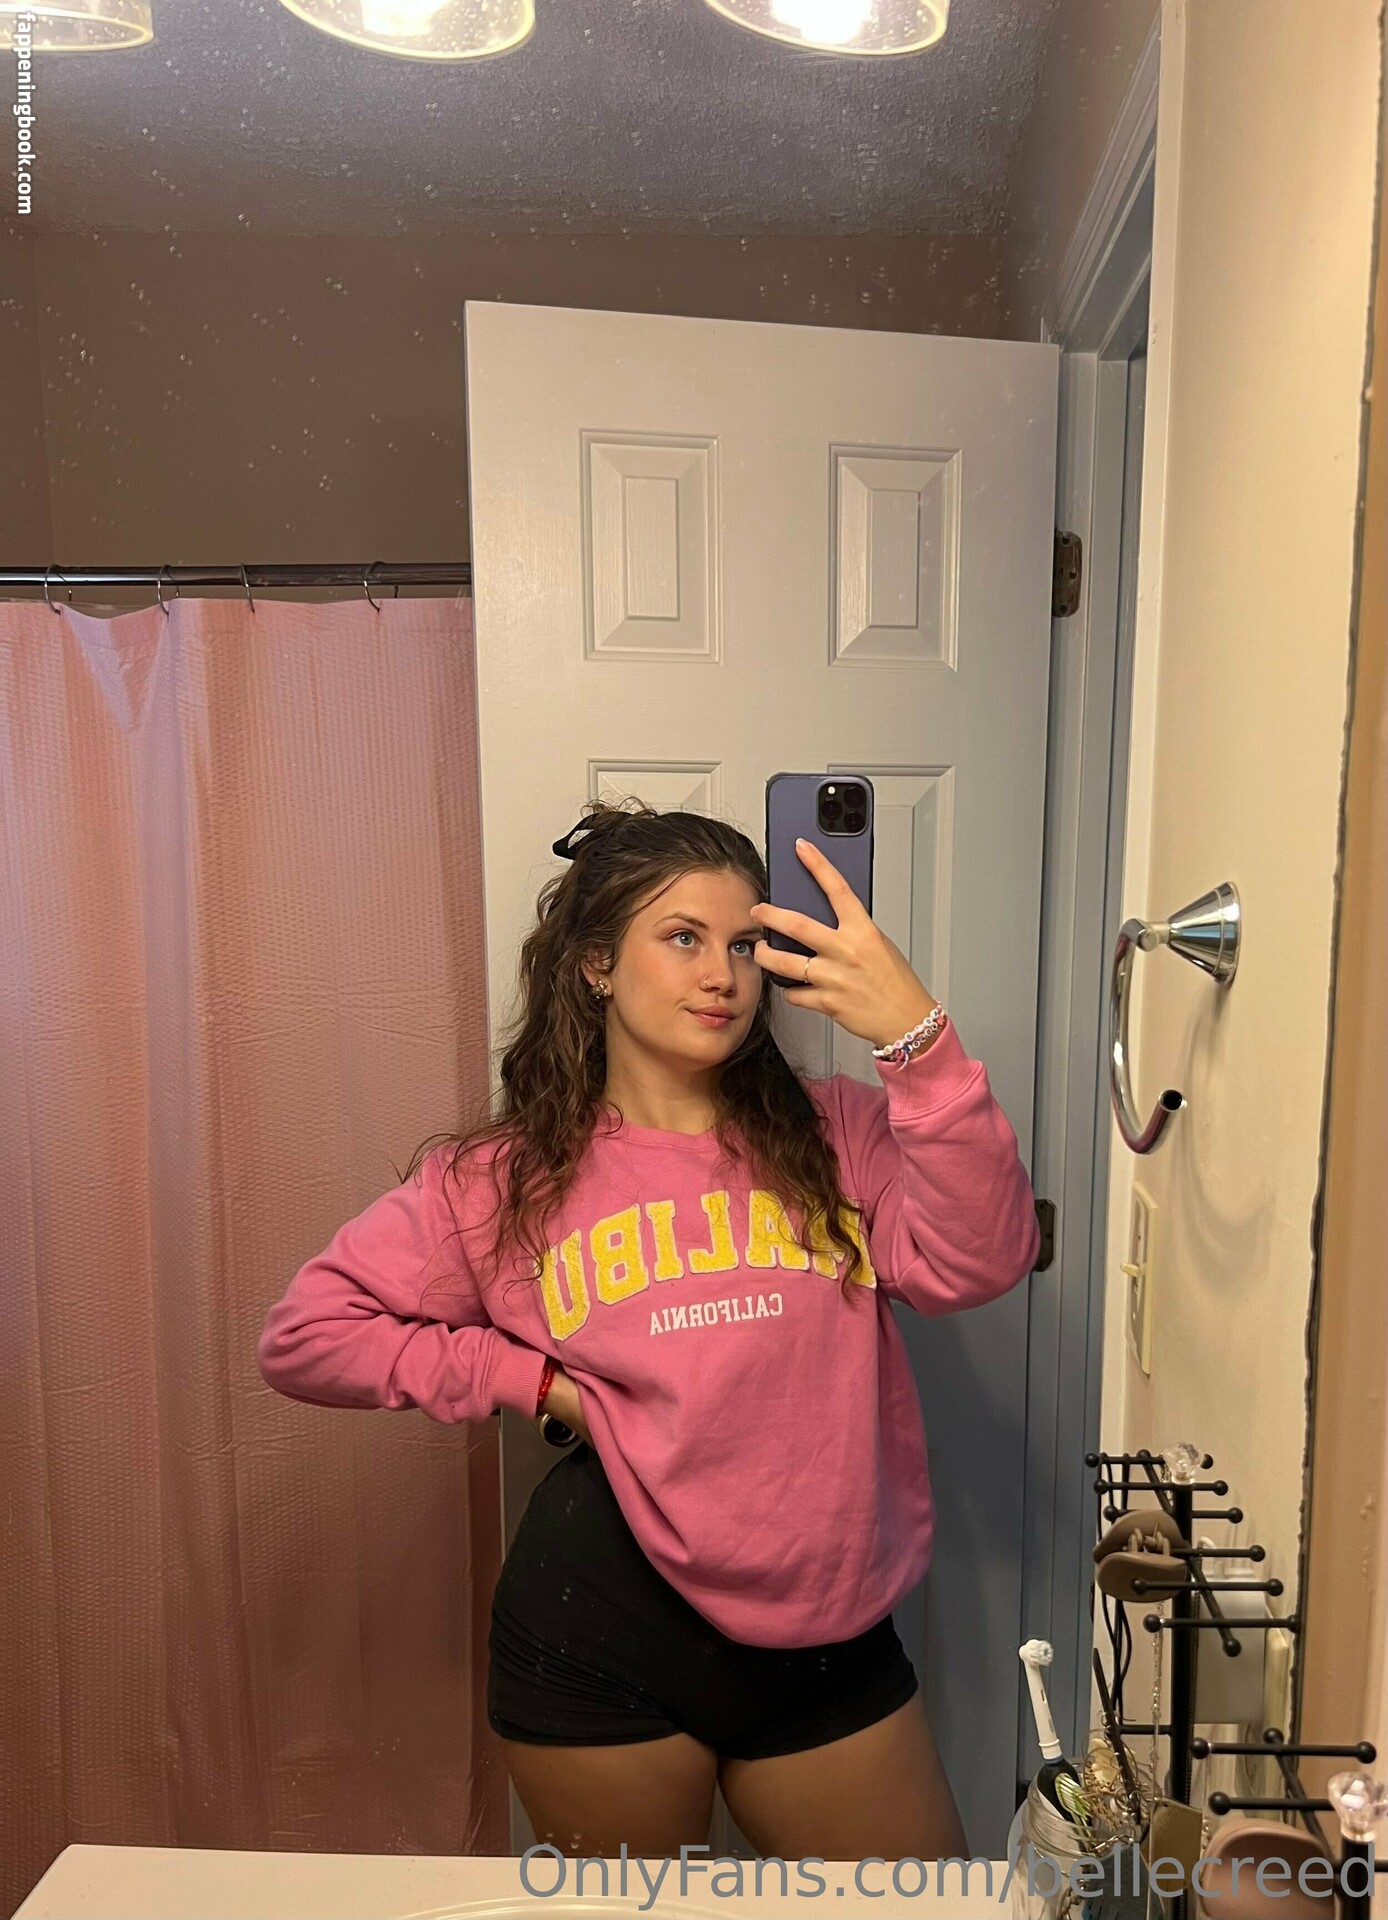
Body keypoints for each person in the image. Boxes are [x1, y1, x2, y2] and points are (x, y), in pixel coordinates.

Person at [258, 797, 1041, 1862]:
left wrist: (919, 1041)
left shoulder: (838, 1133)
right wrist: (530, 1382)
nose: (723, 976)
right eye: (682, 938)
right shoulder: (503, 1181)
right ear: (596, 965)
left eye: (743, 946)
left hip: (827, 1638)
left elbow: (979, 1259)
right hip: (601, 1632)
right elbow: (305, 1334)